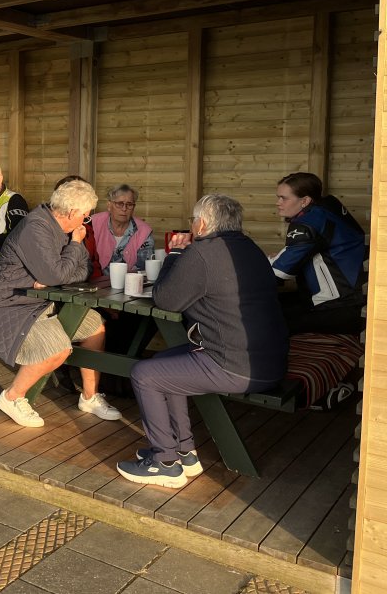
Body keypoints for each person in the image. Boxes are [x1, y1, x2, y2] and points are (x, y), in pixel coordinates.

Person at [116, 194, 288, 489]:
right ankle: (185, 453)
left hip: (235, 366)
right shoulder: (251, 249)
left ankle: (164, 463)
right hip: (269, 360)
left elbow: (166, 299)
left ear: (203, 224)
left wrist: (174, 254)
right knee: (163, 363)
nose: (192, 225)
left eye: (193, 220)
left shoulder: (203, 252)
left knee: (144, 375)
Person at [0, 179, 121, 428]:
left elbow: (85, 269)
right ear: (72, 212)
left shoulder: (64, 228)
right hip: (8, 302)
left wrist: (58, 276)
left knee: (95, 327)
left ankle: (89, 397)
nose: (86, 221)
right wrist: (74, 246)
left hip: (42, 301)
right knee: (58, 350)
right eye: (86, 215)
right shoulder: (36, 228)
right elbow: (57, 274)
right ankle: (12, 397)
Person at [270, 172, 367, 334]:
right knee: (276, 303)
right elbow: (312, 248)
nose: (278, 203)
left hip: (342, 306)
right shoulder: (328, 206)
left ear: (305, 201)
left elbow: (277, 274)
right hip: (357, 298)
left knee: (267, 319)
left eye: (283, 198)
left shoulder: (307, 224)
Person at [89, 184, 155, 273]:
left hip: (129, 280)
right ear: (109, 205)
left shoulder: (144, 232)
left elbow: (143, 268)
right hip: (95, 279)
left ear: (133, 208)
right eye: (119, 204)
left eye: (129, 204)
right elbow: (83, 259)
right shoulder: (93, 223)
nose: (124, 209)